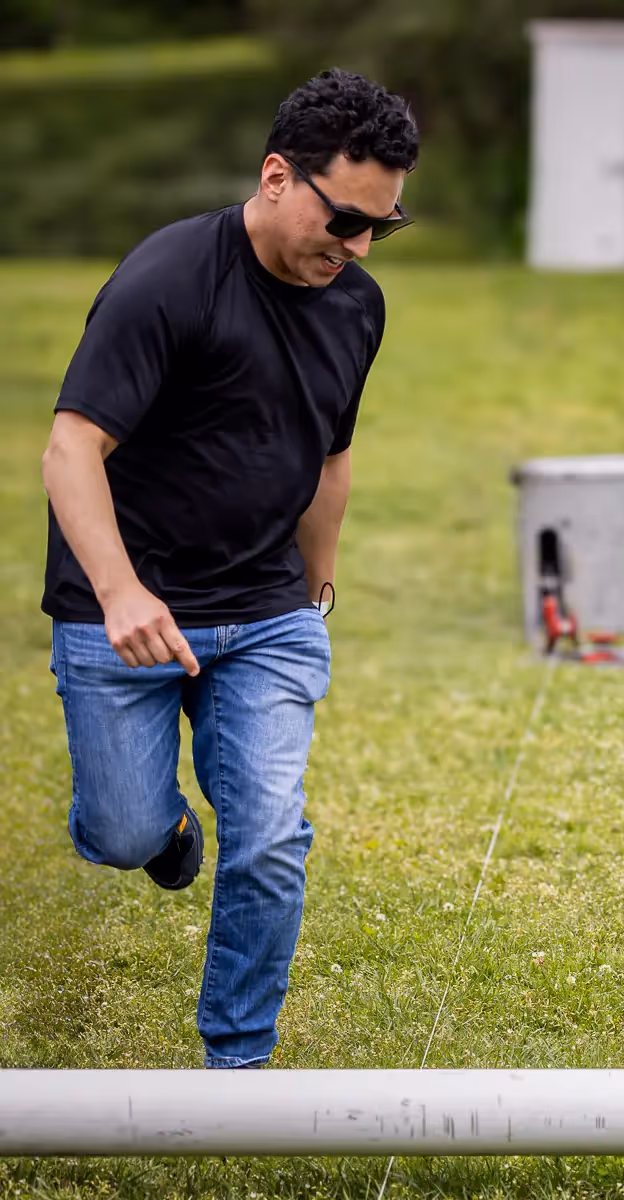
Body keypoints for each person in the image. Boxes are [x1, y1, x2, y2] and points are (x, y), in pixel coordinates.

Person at [37, 69, 416, 1068]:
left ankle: (236, 1064)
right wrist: (120, 593)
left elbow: (329, 453)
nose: (359, 246)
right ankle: (155, 832)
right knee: (120, 833)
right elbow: (70, 449)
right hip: (124, 612)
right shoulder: (167, 279)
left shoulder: (356, 305)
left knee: (269, 837)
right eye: (344, 219)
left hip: (265, 615)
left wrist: (316, 583)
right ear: (278, 175)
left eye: (384, 226)